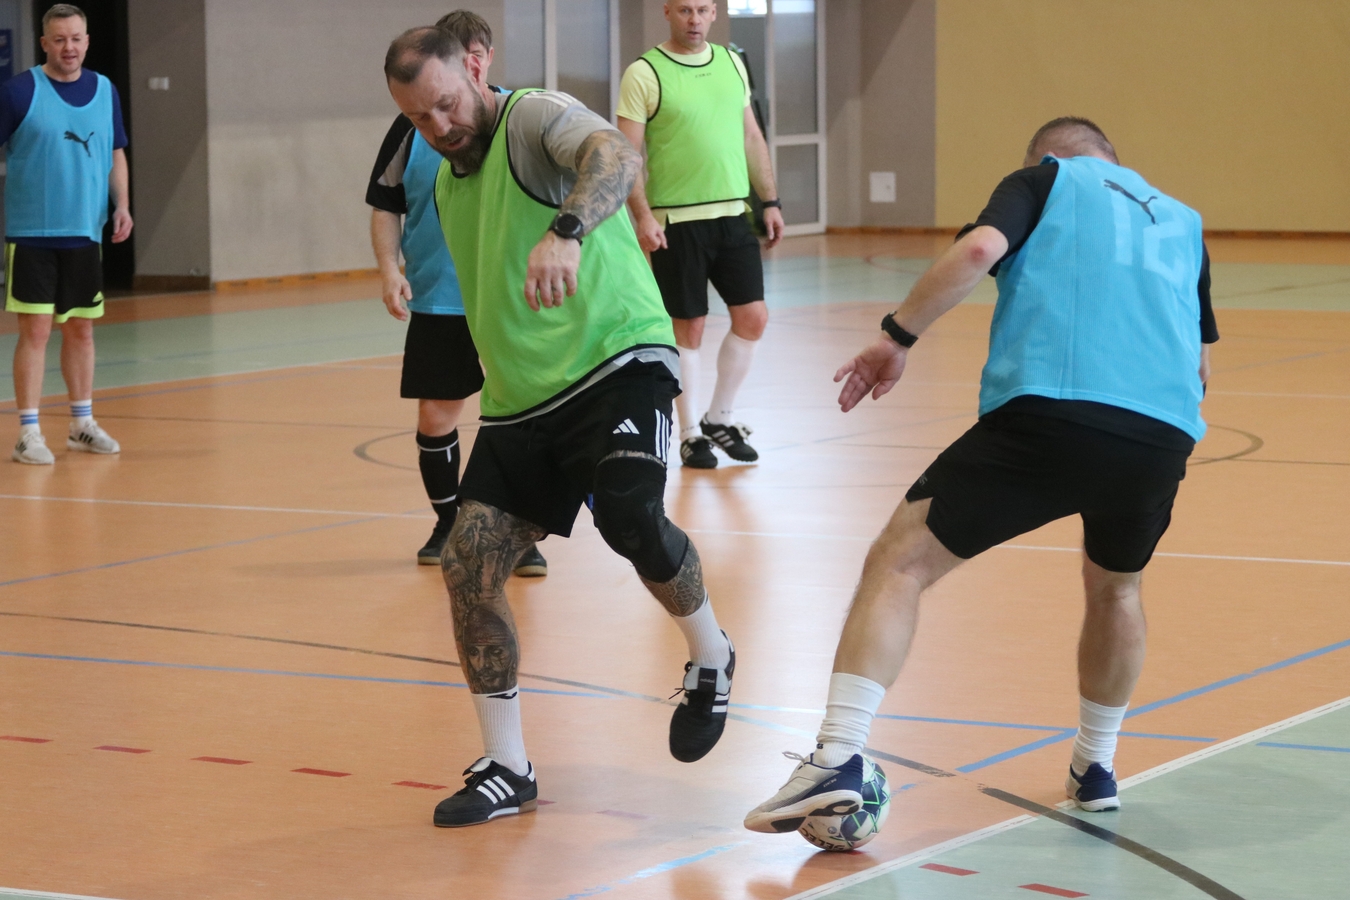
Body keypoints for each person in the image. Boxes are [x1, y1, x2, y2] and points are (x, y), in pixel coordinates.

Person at [744, 117, 1219, 834]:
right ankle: (1095, 766)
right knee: (1117, 589)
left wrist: (896, 336)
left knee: (900, 562)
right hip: (1163, 432)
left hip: (1051, 411)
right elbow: (1201, 361)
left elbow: (977, 249)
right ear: (1116, 161)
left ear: (1047, 158)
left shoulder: (1045, 180)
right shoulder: (1184, 222)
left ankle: (836, 755)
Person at [384, 26, 736, 828]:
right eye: (418, 118)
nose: (438, 126)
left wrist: (567, 231)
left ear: (477, 67)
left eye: (445, 104)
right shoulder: (446, 184)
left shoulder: (534, 117)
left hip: (619, 361)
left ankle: (712, 657)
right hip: (523, 402)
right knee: (468, 564)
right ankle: (508, 766)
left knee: (628, 513)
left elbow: (615, 155)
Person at [367, 11, 546, 576]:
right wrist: (389, 269)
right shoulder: (413, 129)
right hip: (442, 297)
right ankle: (447, 522)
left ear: (484, 59)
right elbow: (384, 204)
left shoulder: (521, 116)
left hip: (515, 298)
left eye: (478, 57)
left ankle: (520, 532)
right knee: (436, 414)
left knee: (524, 416)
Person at [617, 0, 784, 469]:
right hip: (676, 222)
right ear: (667, 11)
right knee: (687, 327)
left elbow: (751, 136)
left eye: (703, 10)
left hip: (733, 214)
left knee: (753, 317)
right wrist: (642, 216)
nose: (695, 20)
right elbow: (626, 154)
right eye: (685, 10)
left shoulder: (732, 63)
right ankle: (690, 434)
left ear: (714, 13)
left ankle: (719, 418)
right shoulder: (645, 73)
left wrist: (770, 200)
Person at [3, 3, 130, 465]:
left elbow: (115, 151)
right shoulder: (19, 91)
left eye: (76, 38)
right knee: (35, 331)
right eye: (59, 40)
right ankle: (28, 432)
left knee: (81, 329)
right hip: (31, 233)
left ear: (87, 41)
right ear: (44, 43)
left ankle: (81, 425)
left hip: (84, 231)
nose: (69, 47)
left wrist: (122, 205)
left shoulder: (105, 91)